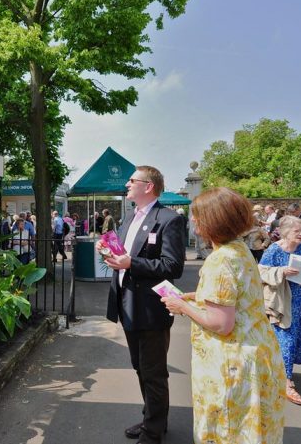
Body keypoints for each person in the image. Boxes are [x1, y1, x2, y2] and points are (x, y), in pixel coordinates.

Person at [161, 187, 285, 443]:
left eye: (197, 215)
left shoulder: (220, 260)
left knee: (227, 431)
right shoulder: (240, 250)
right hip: (256, 352)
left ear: (214, 219)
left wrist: (181, 307)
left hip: (232, 361)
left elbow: (221, 323)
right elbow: (240, 297)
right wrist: (199, 297)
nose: (193, 219)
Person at [97, 165, 185, 444]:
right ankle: (152, 418)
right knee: (139, 367)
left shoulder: (169, 219)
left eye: (132, 180)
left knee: (153, 372)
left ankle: (154, 431)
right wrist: (108, 251)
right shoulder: (128, 217)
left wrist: (131, 262)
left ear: (148, 186)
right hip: (127, 302)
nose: (126, 184)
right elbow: (124, 253)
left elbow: (173, 265)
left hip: (150, 308)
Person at [259, 216, 301, 406]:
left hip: (300, 299)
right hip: (281, 301)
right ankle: (287, 381)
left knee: (295, 337)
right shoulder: (274, 249)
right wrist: (281, 272)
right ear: (285, 232)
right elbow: (259, 272)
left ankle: (281, 373)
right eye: (296, 231)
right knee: (286, 339)